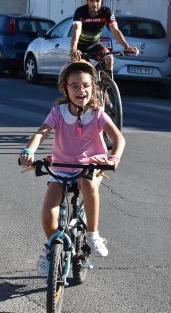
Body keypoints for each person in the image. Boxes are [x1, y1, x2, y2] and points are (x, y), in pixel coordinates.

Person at [19, 60, 126, 275]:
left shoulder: (98, 113)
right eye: (75, 86)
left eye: (86, 85)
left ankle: (93, 234)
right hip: (62, 166)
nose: (81, 90)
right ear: (65, 89)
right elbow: (42, 132)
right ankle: (51, 247)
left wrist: (113, 158)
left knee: (87, 181)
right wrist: (29, 151)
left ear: (93, 87)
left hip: (90, 164)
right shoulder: (58, 113)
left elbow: (118, 138)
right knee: (49, 212)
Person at [70, 0, 139, 75]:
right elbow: (76, 30)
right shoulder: (80, 12)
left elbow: (115, 30)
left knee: (109, 58)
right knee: (84, 74)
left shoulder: (107, 12)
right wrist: (74, 49)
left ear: (102, 1)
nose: (94, 4)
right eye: (91, 0)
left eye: (98, 1)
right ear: (87, 0)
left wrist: (126, 46)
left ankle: (105, 85)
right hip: (80, 47)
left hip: (95, 45)